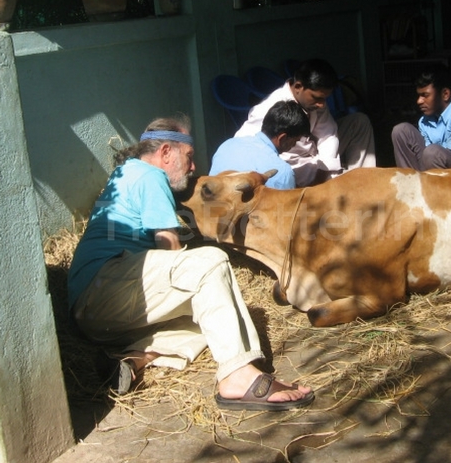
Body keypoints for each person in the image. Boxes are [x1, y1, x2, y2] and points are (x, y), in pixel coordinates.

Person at [67, 114, 314, 410]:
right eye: (190, 156)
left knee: (214, 322)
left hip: (95, 314)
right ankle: (238, 377)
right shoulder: (149, 174)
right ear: (166, 152)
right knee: (210, 261)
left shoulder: (127, 175)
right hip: (104, 288)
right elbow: (168, 245)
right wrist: (204, 267)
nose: (194, 167)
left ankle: (132, 361)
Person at [235, 59, 376, 186]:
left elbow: (328, 135)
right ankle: (353, 185)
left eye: (325, 99)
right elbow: (243, 144)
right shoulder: (269, 108)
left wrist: (324, 167)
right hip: (293, 163)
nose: (321, 104)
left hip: (315, 153)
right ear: (298, 87)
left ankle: (364, 179)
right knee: (339, 183)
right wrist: (320, 174)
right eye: (317, 98)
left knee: (359, 122)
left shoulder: (315, 102)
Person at [209, 101, 310, 189]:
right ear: (282, 138)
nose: (294, 145)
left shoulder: (228, 144)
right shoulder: (283, 172)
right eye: (295, 141)